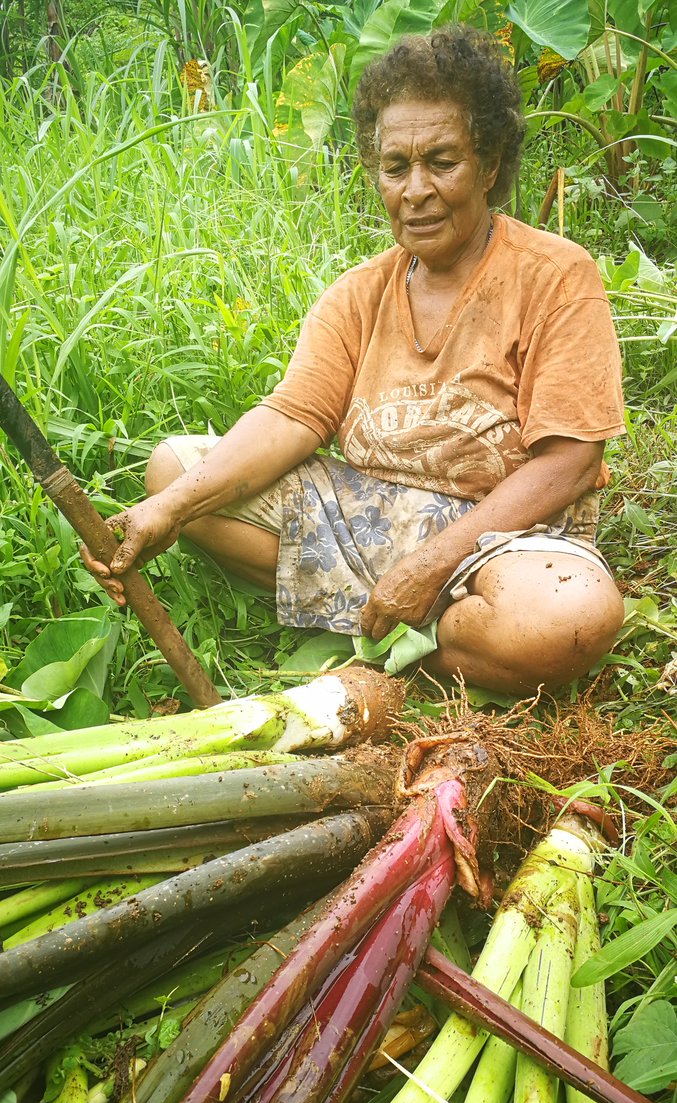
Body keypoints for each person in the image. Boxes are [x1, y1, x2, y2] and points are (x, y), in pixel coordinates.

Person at [82, 25, 626, 696]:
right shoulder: (358, 293)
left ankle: (414, 638)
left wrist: (430, 564)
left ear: (489, 165)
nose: (415, 189)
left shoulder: (554, 275)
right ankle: (433, 635)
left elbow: (568, 462)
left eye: (442, 161)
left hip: (511, 538)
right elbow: (293, 417)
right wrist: (168, 510)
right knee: (174, 473)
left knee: (568, 618)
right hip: (370, 517)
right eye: (395, 167)